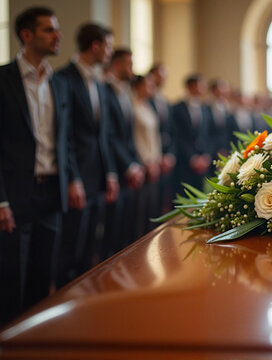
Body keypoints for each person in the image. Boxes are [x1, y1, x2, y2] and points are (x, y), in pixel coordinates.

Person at [0, 6, 76, 325]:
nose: (58, 36)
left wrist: (72, 180)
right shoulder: (3, 79)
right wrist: (1, 199)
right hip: (16, 195)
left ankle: (36, 343)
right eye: (49, 30)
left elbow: (64, 140)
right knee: (11, 282)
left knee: (44, 278)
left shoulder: (58, 83)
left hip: (51, 192)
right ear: (27, 35)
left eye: (56, 29)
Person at [56, 23, 118, 287]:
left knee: (90, 243)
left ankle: (83, 296)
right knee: (70, 245)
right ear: (95, 45)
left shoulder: (99, 82)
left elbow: (103, 135)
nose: (110, 52)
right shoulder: (63, 79)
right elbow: (64, 135)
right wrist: (72, 177)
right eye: (108, 46)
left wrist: (111, 172)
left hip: (97, 174)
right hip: (76, 176)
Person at [103, 48, 145, 257]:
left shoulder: (125, 92)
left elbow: (130, 136)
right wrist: (128, 165)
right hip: (115, 167)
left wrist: (135, 163)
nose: (132, 69)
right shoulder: (106, 92)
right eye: (129, 64)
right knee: (112, 229)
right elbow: (109, 136)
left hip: (129, 166)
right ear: (117, 65)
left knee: (126, 227)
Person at [171, 73, 215, 193]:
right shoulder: (177, 108)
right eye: (201, 85)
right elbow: (177, 136)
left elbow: (209, 135)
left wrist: (206, 155)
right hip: (184, 164)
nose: (204, 88)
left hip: (203, 163)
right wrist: (192, 158)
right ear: (191, 86)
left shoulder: (206, 108)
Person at [132, 74, 163, 233]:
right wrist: (147, 162)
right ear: (137, 87)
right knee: (139, 211)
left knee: (151, 209)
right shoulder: (133, 106)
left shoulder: (147, 106)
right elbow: (136, 138)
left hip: (153, 163)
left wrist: (157, 159)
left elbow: (154, 136)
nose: (151, 89)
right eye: (147, 85)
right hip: (142, 163)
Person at [148, 63, 175, 214]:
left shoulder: (165, 101)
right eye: (160, 75)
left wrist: (169, 154)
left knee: (162, 201)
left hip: (166, 156)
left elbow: (171, 131)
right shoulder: (145, 100)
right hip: (152, 156)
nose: (163, 79)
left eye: (164, 76)